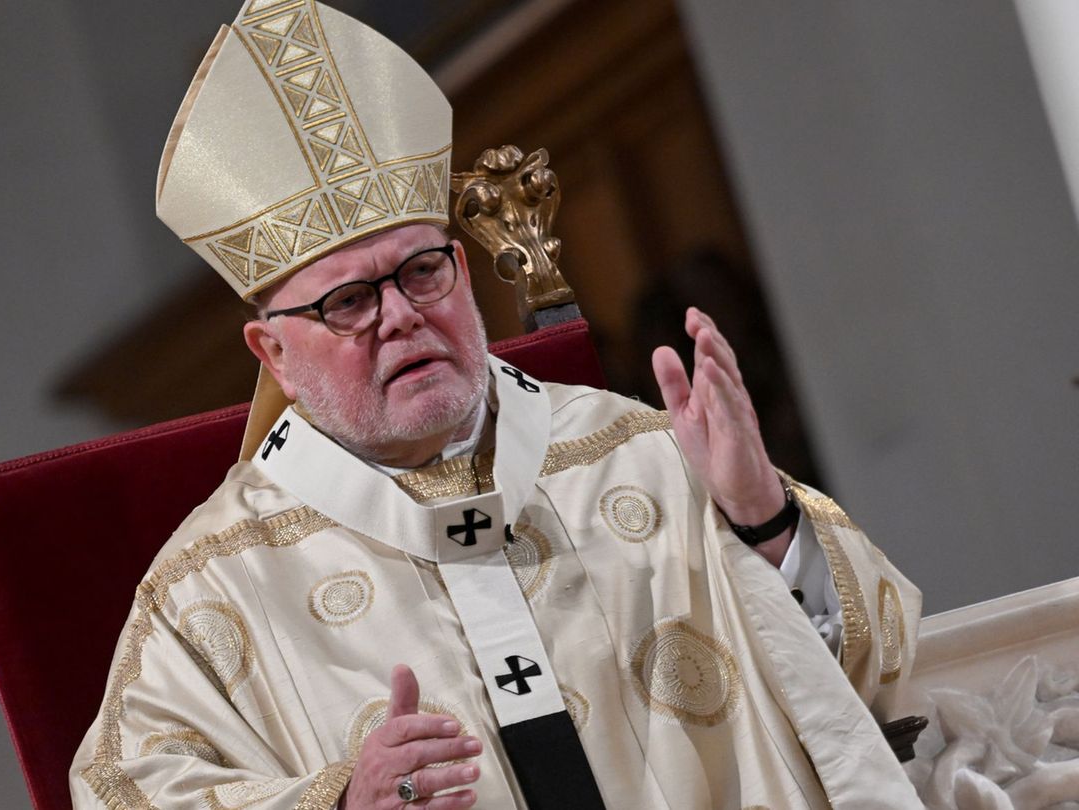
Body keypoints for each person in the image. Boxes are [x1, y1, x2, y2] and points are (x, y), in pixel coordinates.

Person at [71, 2, 922, 808]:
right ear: (275, 355)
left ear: (463, 275)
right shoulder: (210, 584)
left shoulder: (641, 453)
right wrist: (338, 802)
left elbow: (879, 669)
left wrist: (760, 518)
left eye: (421, 271)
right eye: (348, 302)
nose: (401, 313)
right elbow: (119, 790)